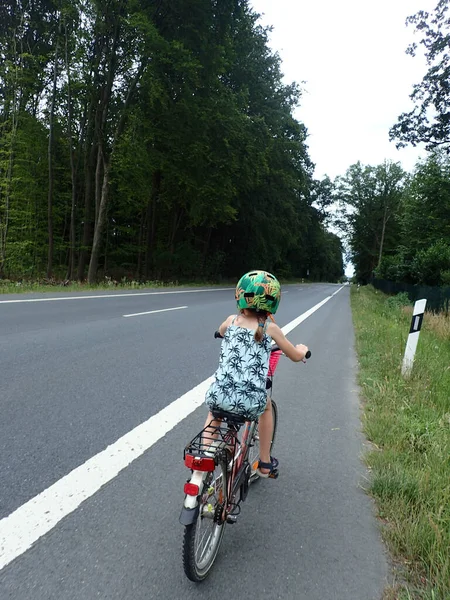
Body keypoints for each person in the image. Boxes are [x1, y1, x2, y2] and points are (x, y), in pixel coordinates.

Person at [204, 270, 308, 478]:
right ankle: (265, 463)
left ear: (240, 296)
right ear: (274, 302)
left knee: (215, 412)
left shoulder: (232, 320)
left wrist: (222, 333)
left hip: (219, 393)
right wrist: (302, 350)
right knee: (266, 407)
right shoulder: (270, 328)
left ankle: (204, 454)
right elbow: (295, 356)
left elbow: (221, 331)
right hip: (250, 400)